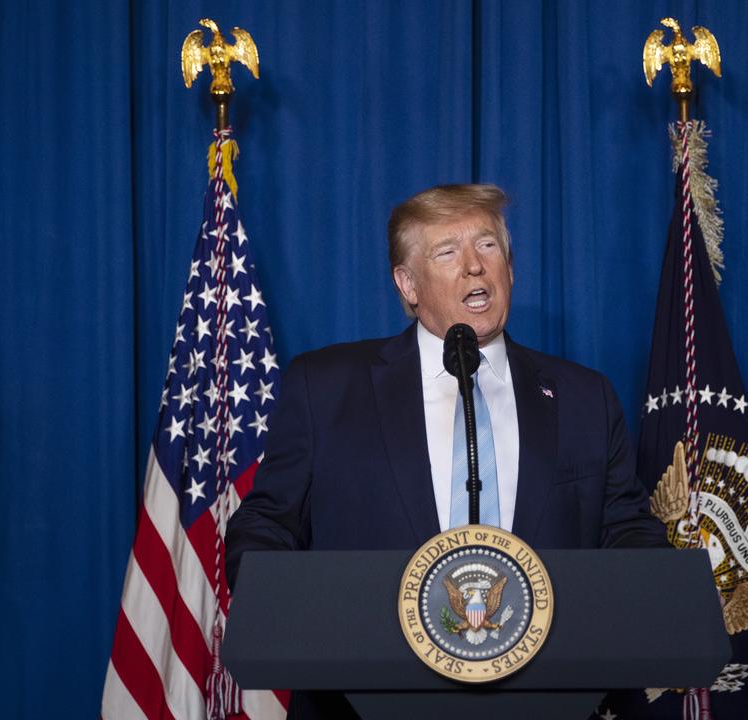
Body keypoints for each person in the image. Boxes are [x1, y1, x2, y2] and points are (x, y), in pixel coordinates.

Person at [226, 184, 667, 717]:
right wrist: (298, 612)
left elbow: (625, 530)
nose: (474, 268)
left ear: (510, 268)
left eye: (487, 247)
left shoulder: (582, 397)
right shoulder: (325, 388)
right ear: (408, 284)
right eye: (447, 253)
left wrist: (659, 600)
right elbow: (268, 525)